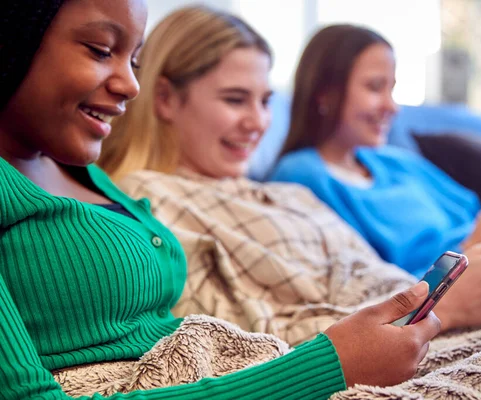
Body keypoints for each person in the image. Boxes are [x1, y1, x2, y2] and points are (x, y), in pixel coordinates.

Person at [0, 1, 442, 398]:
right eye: (100, 50)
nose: (132, 85)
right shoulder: (147, 187)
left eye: (135, 60)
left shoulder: (82, 172)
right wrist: (328, 366)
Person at [98, 5, 481, 339]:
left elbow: (380, 277)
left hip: (432, 310)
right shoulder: (149, 204)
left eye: (264, 102)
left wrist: (472, 282)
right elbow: (245, 341)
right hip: (419, 329)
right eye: (235, 100)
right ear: (164, 99)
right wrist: (449, 305)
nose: (258, 123)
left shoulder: (279, 195)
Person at [269, 24, 481, 277]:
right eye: (374, 87)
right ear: (325, 93)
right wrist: (470, 249)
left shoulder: (395, 161)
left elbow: (473, 218)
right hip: (454, 289)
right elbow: (366, 287)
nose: (392, 107)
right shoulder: (301, 176)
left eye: (392, 89)